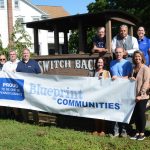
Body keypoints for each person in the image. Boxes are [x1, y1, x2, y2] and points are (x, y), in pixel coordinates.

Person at [110, 47, 132, 137]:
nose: (118, 54)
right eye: (117, 52)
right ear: (115, 53)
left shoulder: (127, 63)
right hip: (114, 91)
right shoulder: (112, 63)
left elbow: (128, 77)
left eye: (120, 52)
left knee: (123, 110)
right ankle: (116, 130)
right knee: (114, 109)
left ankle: (123, 130)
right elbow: (110, 76)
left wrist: (117, 78)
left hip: (124, 90)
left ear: (123, 53)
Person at [16, 48, 41, 123]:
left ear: (29, 54)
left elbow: (39, 75)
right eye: (24, 53)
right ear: (22, 55)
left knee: (34, 105)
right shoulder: (19, 64)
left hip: (33, 88)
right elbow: (16, 75)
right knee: (23, 104)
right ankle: (25, 120)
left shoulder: (34, 63)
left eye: (26, 53)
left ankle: (36, 121)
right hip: (23, 88)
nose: (25, 55)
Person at [129, 51, 150, 140]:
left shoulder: (145, 68)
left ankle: (142, 133)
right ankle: (137, 131)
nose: (137, 58)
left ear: (142, 57)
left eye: (139, 56)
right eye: (136, 57)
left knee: (141, 114)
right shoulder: (133, 68)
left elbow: (146, 82)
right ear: (134, 58)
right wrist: (131, 78)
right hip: (134, 95)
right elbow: (133, 80)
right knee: (136, 114)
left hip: (142, 96)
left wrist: (141, 94)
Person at [90, 57, 110, 136]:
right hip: (95, 95)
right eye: (98, 62)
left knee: (102, 113)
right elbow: (88, 83)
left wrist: (104, 79)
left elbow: (110, 83)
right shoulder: (92, 72)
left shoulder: (107, 72)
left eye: (101, 62)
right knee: (95, 113)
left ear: (104, 63)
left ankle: (102, 130)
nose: (100, 64)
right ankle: (96, 129)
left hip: (103, 95)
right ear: (96, 63)